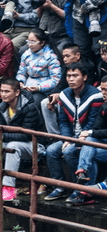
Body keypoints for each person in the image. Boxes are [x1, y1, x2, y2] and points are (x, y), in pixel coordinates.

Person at [44, 64, 105, 202]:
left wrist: (74, 140)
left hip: (88, 137)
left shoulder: (95, 95)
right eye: (68, 76)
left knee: (69, 151)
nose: (71, 79)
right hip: (71, 136)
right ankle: (59, 186)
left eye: (75, 76)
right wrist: (67, 139)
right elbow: (63, 121)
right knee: (51, 150)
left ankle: (79, 188)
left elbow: (93, 124)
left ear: (84, 77)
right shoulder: (64, 95)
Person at [71, 77, 107, 204]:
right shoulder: (104, 105)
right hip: (103, 146)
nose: (103, 93)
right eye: (102, 89)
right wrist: (90, 133)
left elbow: (94, 130)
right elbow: (97, 127)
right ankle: (82, 174)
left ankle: (86, 190)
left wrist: (90, 132)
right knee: (89, 145)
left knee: (89, 145)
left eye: (106, 90)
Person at [16, 28, 63, 113]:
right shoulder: (26, 54)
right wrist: (20, 82)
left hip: (43, 90)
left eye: (33, 42)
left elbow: (56, 79)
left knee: (31, 106)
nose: (30, 45)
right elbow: (21, 72)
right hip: (27, 86)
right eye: (28, 41)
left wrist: (39, 87)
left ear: (42, 43)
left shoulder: (51, 57)